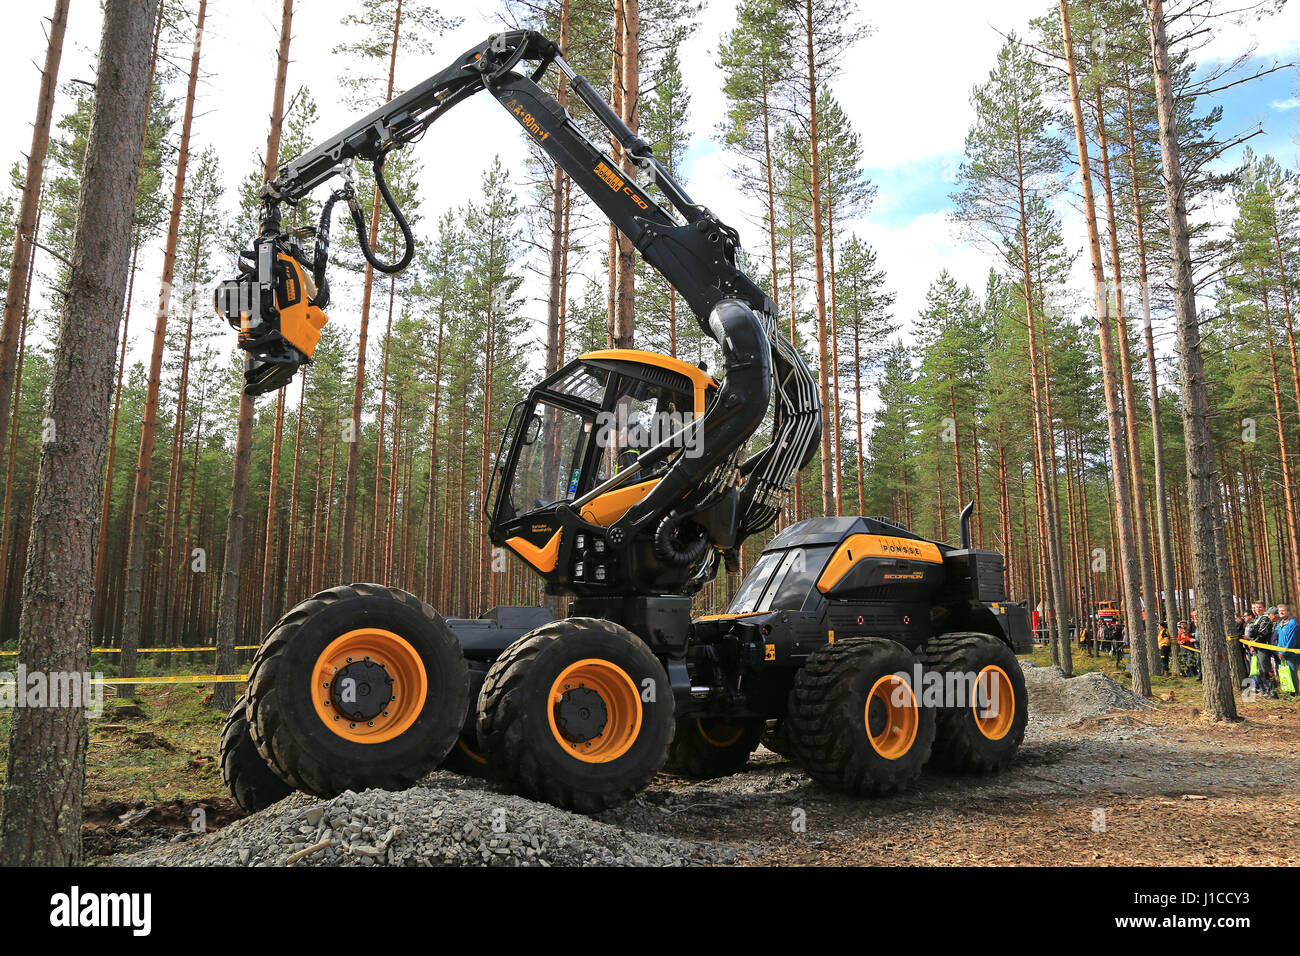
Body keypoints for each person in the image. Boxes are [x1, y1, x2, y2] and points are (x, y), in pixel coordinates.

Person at [1245, 600, 1277, 699]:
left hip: (1264, 648)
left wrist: (1253, 641)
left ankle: (1272, 691)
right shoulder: (1257, 619)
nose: (1257, 609)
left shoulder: (1265, 619)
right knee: (1261, 671)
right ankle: (1267, 691)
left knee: (1266, 670)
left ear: (1264, 608)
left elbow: (1262, 634)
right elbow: (1252, 633)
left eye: (1260, 607)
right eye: (1256, 608)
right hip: (1257, 648)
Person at [1276, 604, 1298, 699]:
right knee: (1286, 674)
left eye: (1283, 610)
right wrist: (1278, 652)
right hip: (1282, 654)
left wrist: (1283, 653)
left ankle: (1296, 694)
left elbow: (1291, 641)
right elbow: (1280, 640)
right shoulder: (1281, 624)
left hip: (1292, 655)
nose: (1280, 612)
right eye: (1279, 611)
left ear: (1289, 612)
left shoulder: (1293, 624)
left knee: (1293, 673)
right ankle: (1290, 693)